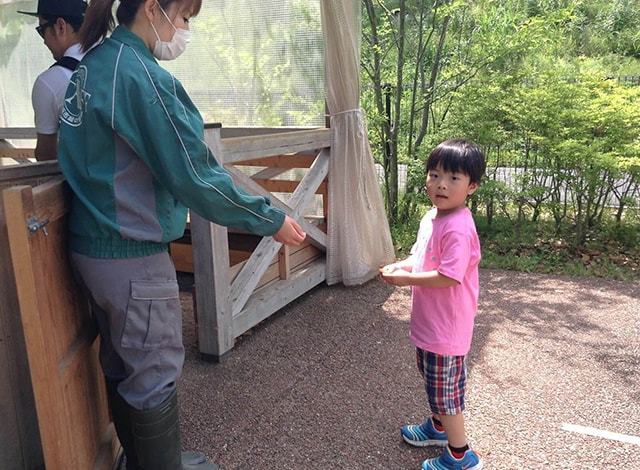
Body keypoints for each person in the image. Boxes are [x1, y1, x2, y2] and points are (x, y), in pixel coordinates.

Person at [56, 0, 306, 469]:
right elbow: (196, 174)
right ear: (154, 8)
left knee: (122, 361)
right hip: (132, 253)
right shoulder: (143, 77)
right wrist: (269, 217)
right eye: (186, 16)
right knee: (153, 372)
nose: (185, 29)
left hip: (90, 246)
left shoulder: (93, 64)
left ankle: (138, 460)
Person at [380, 139, 486, 470]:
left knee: (447, 395)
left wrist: (408, 280)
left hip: (447, 329)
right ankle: (438, 429)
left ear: (472, 186)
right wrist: (404, 267)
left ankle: (461, 455)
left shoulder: (457, 227)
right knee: (433, 382)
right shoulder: (433, 216)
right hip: (431, 324)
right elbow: (422, 257)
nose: (441, 184)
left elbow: (449, 276)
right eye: (435, 174)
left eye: (454, 178)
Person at [18, 0, 87, 160]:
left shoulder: (49, 82)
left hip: (85, 184)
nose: (43, 40)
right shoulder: (115, 60)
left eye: (42, 30)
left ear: (61, 26)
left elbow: (46, 156)